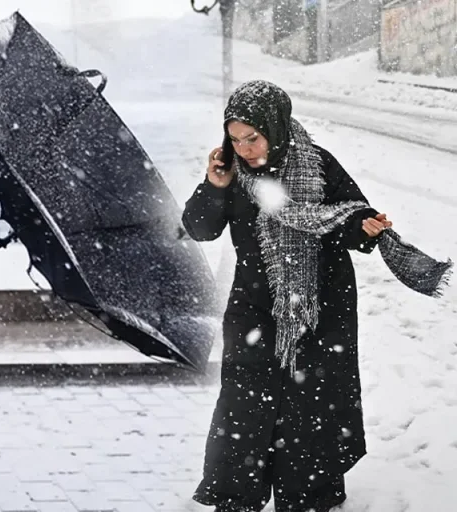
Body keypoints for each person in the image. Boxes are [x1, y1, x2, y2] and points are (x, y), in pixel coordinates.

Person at [183, 80, 450, 512]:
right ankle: (237, 494)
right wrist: (214, 185)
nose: (245, 148)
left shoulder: (316, 164)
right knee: (245, 404)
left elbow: (347, 213)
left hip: (321, 305)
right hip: (253, 307)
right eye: (235, 139)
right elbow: (199, 228)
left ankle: (307, 495)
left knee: (312, 404)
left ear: (275, 127)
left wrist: (363, 226)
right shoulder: (232, 174)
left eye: (252, 138)